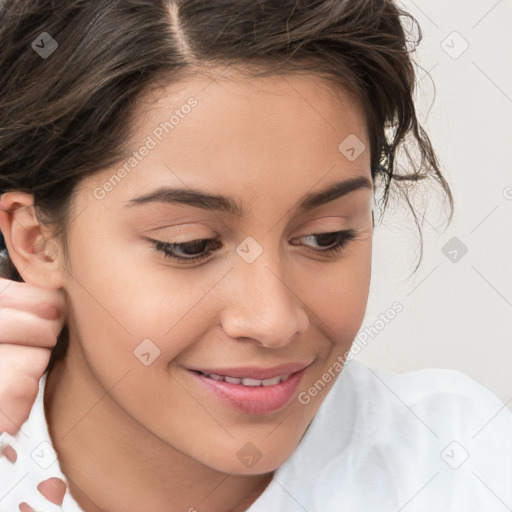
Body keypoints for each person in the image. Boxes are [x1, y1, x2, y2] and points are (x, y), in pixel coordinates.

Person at [0, 1, 511, 511]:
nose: (273, 321)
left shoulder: (467, 464)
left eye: (325, 237)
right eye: (190, 245)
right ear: (36, 242)